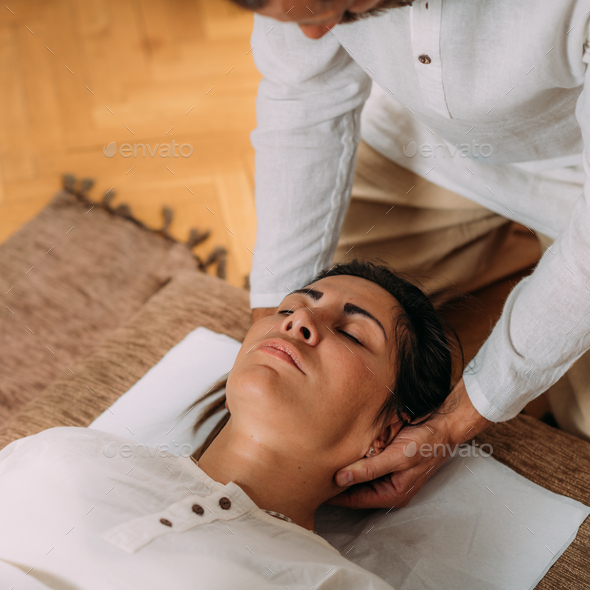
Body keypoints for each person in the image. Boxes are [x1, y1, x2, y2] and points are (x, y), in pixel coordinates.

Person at [230, 0, 590, 510]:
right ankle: (510, 251)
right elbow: (302, 97)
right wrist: (271, 312)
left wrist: (466, 412)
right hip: (428, 146)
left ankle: (514, 249)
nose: (312, 35)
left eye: (341, 9)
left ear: (384, 439)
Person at [0, 260, 461, 590]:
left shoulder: (333, 581)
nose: (300, 318)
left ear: (384, 436)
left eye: (351, 333)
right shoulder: (66, 449)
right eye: (287, 309)